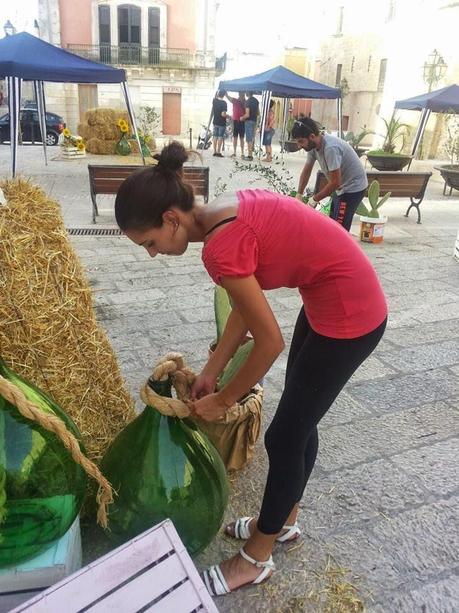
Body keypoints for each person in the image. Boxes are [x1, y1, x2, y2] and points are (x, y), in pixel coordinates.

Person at [114, 141, 387, 597]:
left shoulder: (219, 247)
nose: (152, 254)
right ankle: (284, 522)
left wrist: (222, 401)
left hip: (351, 314)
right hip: (325, 300)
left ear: (171, 219)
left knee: (284, 436)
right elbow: (247, 300)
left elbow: (269, 341)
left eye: (150, 243)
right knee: (301, 420)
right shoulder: (222, 211)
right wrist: (212, 369)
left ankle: (256, 558)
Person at [292, 117, 368, 231]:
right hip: (341, 188)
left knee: (339, 228)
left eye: (301, 141)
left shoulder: (330, 148)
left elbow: (336, 182)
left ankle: (343, 247)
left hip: (353, 188)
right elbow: (307, 170)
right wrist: (299, 194)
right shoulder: (313, 147)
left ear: (312, 136)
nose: (299, 146)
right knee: (333, 222)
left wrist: (314, 199)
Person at [240, 91, 259, 161]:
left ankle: (249, 155)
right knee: (252, 137)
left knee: (249, 139)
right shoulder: (256, 101)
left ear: (247, 93)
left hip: (248, 121)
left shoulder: (247, 101)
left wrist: (242, 117)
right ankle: (251, 152)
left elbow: (247, 114)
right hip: (255, 120)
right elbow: (258, 112)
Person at [226, 92, 246, 158]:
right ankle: (234, 152)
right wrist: (226, 93)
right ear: (239, 94)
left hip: (242, 122)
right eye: (240, 94)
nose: (241, 95)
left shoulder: (245, 102)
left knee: (242, 138)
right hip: (235, 121)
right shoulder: (235, 100)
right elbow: (228, 98)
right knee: (235, 137)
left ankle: (242, 153)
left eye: (242, 94)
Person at [212, 90, 228, 157]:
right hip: (221, 122)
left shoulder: (214, 101)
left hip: (215, 121)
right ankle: (218, 151)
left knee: (215, 136)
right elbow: (223, 114)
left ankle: (215, 151)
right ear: (224, 95)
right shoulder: (224, 103)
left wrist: (218, 90)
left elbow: (215, 96)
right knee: (220, 137)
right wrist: (229, 116)